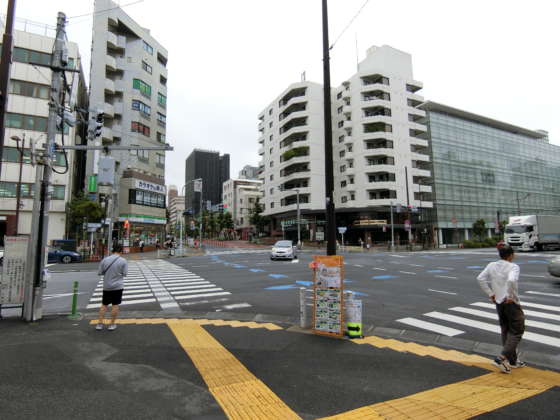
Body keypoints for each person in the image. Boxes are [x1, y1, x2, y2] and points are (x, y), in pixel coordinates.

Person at [477, 246, 526, 373]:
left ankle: (513, 361)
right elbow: (511, 280)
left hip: (499, 302)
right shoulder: (513, 267)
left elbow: (480, 278)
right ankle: (500, 359)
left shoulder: (491, 265)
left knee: (506, 330)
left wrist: (490, 294)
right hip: (510, 303)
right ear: (510, 255)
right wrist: (510, 296)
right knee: (517, 331)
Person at [96, 244, 128, 331]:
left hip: (106, 286)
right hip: (118, 286)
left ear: (112, 250)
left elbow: (100, 273)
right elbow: (125, 274)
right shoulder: (123, 261)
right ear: (121, 251)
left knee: (104, 305)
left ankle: (99, 324)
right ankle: (112, 324)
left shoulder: (105, 260)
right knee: (115, 305)